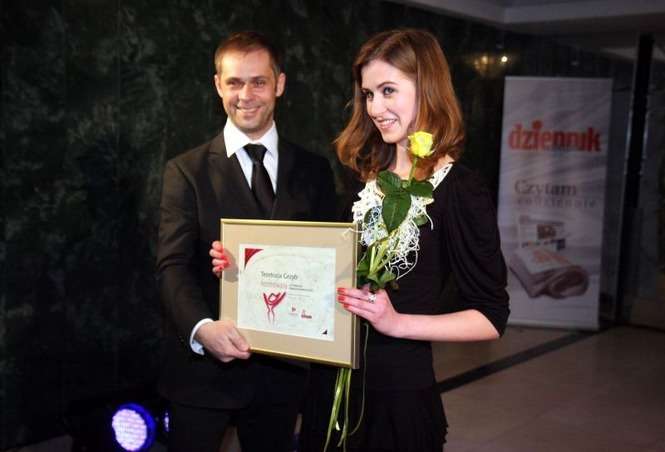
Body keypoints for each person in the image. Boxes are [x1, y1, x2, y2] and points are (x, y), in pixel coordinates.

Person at [212, 28, 510, 452]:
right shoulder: (365, 181)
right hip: (329, 390)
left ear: (427, 87)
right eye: (369, 94)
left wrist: (398, 323)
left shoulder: (459, 189)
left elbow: (491, 316)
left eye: (388, 91)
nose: (375, 108)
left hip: (397, 399)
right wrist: (246, 268)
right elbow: (325, 276)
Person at [157, 31, 336, 452]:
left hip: (284, 374)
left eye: (258, 82)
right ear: (218, 85)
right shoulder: (185, 171)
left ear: (280, 84)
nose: (246, 95)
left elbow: (328, 262)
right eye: (234, 82)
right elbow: (172, 267)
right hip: (202, 374)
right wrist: (203, 328)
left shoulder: (314, 170)